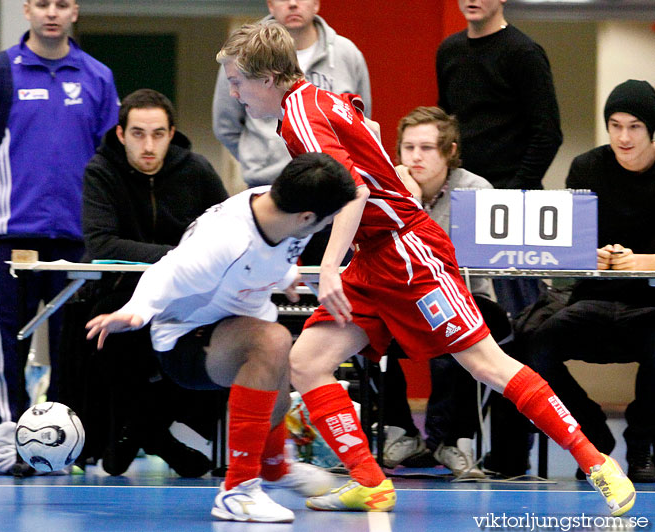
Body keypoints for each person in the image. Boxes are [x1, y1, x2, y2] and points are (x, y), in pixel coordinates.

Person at [216, 22, 635, 517]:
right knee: (306, 361)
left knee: (486, 365)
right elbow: (363, 128)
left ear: (267, 78)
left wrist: (329, 267)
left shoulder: (299, 116)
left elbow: (354, 190)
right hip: (373, 255)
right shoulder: (315, 97)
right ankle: (370, 483)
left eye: (238, 81)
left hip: (410, 253)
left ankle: (599, 466)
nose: (235, 93)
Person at [85, 152, 357, 523]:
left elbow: (271, 254)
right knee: (272, 341)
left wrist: (284, 277)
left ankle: (275, 467)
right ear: (306, 218)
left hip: (236, 320)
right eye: (325, 221)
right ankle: (238, 490)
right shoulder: (225, 239)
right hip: (185, 338)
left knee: (279, 366)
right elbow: (169, 269)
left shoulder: (279, 206)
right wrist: (135, 311)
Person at [0, 0, 119, 474]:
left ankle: (65, 443)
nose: (51, 12)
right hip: (8, 234)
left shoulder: (98, 78)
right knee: (3, 342)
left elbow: (110, 162)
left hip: (77, 238)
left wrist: (107, 229)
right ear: (27, 9)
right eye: (42, 3)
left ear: (75, 12)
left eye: (62, 4)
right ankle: (9, 438)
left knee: (76, 346)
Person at [66, 89, 229, 477]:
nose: (149, 145)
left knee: (219, 339)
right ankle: (155, 437)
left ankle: (139, 431)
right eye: (138, 134)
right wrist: (177, 256)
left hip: (188, 295)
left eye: (158, 134)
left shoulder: (198, 170)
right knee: (104, 331)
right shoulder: (101, 171)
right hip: (121, 291)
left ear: (172, 133)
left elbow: (226, 232)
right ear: (121, 134)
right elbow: (102, 242)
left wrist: (183, 267)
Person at [529, 79, 655, 483]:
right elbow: (566, 248)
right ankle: (593, 434)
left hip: (649, 305)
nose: (623, 136)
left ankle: (641, 450)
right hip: (592, 301)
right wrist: (591, 256)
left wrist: (645, 262)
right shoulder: (587, 167)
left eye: (634, 126)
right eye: (615, 125)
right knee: (534, 345)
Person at [382, 106, 512, 478]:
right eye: (408, 148)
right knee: (356, 327)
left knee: (462, 328)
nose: (415, 157)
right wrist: (403, 199)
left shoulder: (475, 191)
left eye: (426, 148)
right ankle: (399, 432)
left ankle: (454, 440)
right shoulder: (386, 188)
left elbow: (486, 265)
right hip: (402, 302)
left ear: (449, 151)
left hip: (466, 299)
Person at [436, 0, 563, 318]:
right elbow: (445, 126)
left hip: (513, 204)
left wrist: (510, 197)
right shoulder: (449, 51)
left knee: (520, 320)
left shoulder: (524, 53)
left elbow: (548, 134)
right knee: (458, 314)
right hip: (461, 199)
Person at [212, 0, 371, 188]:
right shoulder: (240, 54)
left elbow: (361, 123)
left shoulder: (347, 54)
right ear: (270, 5)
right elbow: (226, 125)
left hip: (334, 182)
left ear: (316, 4)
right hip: (268, 183)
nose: (293, 3)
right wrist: (259, 160)